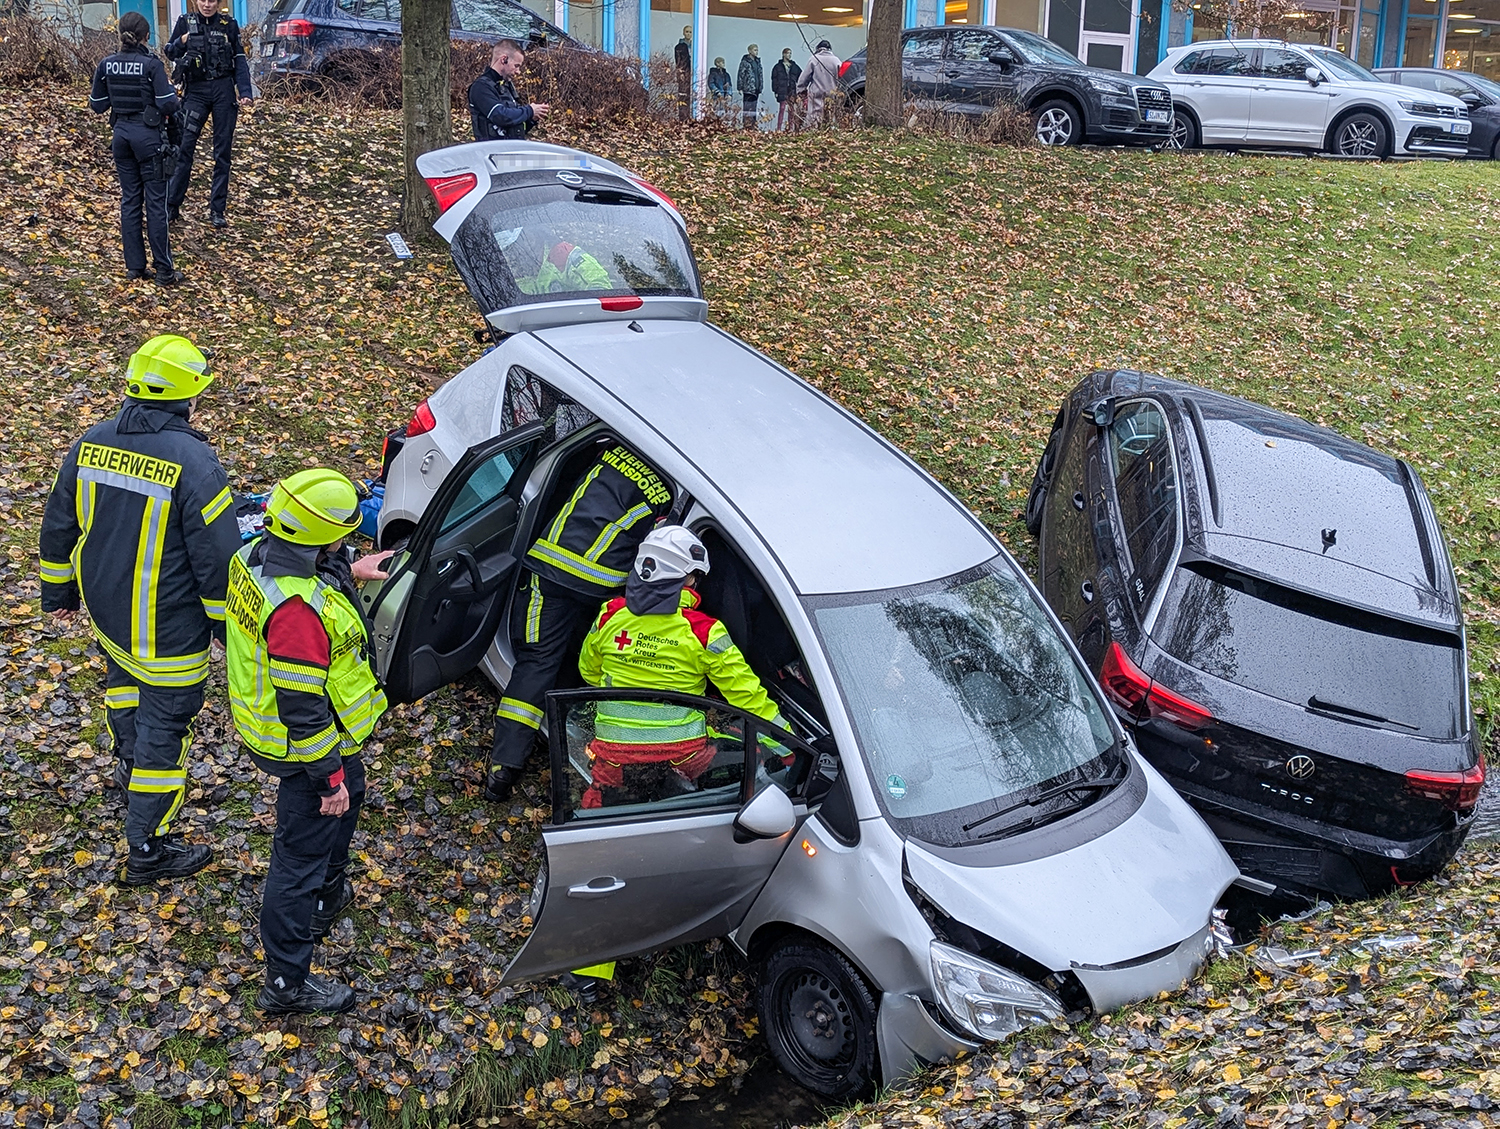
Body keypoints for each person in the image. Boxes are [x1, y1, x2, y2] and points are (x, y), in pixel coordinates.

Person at [39, 335, 240, 883]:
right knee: (166, 726)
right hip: (168, 629)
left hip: (110, 612)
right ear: (186, 398)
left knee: (124, 688)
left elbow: (59, 525)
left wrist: (59, 593)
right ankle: (148, 847)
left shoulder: (92, 442)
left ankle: (129, 764)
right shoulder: (194, 461)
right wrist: (227, 627)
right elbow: (217, 558)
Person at [223, 469, 394, 1016]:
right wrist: (328, 778)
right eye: (341, 536)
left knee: (347, 808)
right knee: (296, 861)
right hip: (305, 752)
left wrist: (351, 571)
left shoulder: (253, 555)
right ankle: (286, 983)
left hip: (324, 739)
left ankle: (329, 896)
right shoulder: (296, 613)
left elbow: (309, 568)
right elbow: (303, 708)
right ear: (324, 535)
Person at [484, 444, 674, 801]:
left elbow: (558, 485)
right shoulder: (670, 480)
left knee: (537, 663)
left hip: (552, 568)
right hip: (603, 583)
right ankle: (572, 738)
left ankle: (503, 768)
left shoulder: (610, 446)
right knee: (583, 656)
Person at [576, 526, 790, 809]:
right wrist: (787, 747)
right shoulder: (705, 632)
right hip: (684, 759)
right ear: (689, 578)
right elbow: (748, 699)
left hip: (614, 759)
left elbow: (588, 671)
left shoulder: (611, 615)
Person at [89, 12, 184, 285]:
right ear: (146, 36)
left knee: (130, 201)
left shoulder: (106, 64)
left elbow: (97, 104)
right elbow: (168, 104)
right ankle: (164, 271)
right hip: (148, 139)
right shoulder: (151, 65)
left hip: (121, 137)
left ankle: (134, 267)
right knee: (156, 205)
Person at [163, 0, 252, 230]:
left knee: (222, 152)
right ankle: (172, 206)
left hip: (223, 89)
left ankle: (217, 210)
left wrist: (245, 91)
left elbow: (239, 59)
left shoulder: (228, 25)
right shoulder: (185, 22)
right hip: (196, 91)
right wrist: (182, 41)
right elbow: (170, 51)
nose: (207, 4)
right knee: (184, 148)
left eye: (212, 0)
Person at [469, 39, 549, 141]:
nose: (518, 72)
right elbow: (500, 117)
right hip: (490, 152)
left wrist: (531, 119)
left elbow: (514, 126)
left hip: (510, 151)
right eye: (516, 66)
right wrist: (529, 111)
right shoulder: (480, 87)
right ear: (504, 59)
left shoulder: (506, 86)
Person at [796, 39, 843, 128]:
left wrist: (801, 90)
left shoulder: (814, 59)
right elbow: (842, 78)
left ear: (818, 48)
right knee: (829, 116)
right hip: (832, 93)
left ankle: (814, 134)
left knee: (814, 118)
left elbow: (804, 77)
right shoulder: (836, 61)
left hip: (816, 94)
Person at [771, 47, 801, 131]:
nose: (789, 55)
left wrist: (799, 88)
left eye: (790, 53)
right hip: (782, 89)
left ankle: (790, 127)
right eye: (788, 53)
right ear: (783, 54)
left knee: (791, 110)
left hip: (791, 90)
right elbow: (774, 79)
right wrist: (775, 90)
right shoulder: (778, 67)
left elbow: (801, 76)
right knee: (782, 108)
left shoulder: (794, 66)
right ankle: (779, 128)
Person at [737, 44, 762, 130]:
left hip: (756, 88)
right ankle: (746, 126)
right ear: (750, 51)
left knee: (754, 108)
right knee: (747, 108)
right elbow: (741, 74)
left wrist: (760, 86)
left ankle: (753, 126)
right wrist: (740, 87)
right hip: (748, 88)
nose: (756, 52)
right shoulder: (745, 62)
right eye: (755, 50)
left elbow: (760, 75)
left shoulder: (758, 62)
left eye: (757, 50)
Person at [674, 25, 692, 121]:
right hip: (684, 73)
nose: (688, 34)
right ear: (683, 33)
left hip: (693, 73)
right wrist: (680, 72)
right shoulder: (679, 47)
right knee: (683, 95)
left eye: (690, 32)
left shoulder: (696, 45)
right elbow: (678, 61)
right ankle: (683, 118)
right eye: (687, 31)